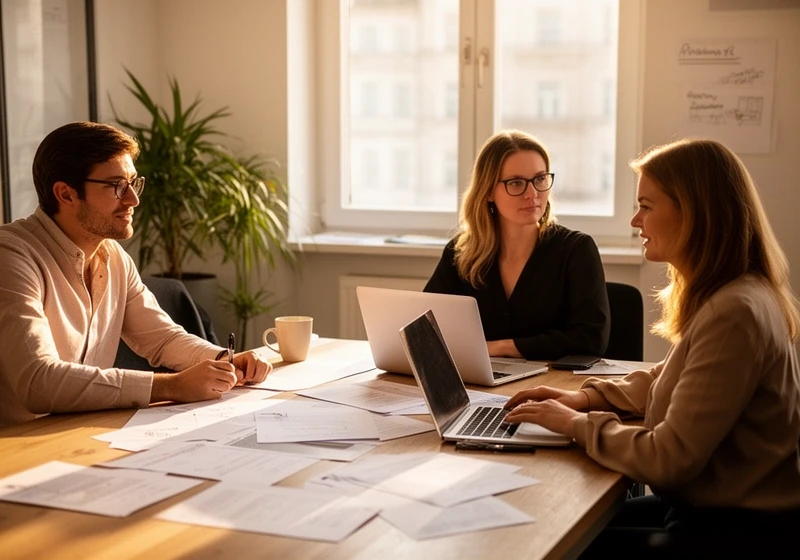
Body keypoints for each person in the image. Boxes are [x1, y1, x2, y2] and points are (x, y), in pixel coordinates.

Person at [504, 138, 800, 557]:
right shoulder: (731, 293)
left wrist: (573, 424)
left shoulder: (735, 312)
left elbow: (669, 458)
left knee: (549, 540)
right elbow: (669, 377)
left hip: (737, 529)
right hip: (712, 507)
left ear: (694, 213)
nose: (634, 220)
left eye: (647, 205)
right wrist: (585, 398)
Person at [0, 121, 271, 427]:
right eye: (117, 186)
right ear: (66, 194)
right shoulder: (11, 257)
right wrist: (171, 386)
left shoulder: (113, 257)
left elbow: (162, 339)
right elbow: (39, 382)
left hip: (79, 435)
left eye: (133, 182)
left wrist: (225, 360)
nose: (133, 200)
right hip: (15, 449)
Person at [424, 130, 609, 360]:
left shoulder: (577, 250)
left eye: (540, 179)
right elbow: (426, 328)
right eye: (516, 183)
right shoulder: (461, 252)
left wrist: (502, 348)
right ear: (489, 191)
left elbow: (591, 339)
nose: (532, 194)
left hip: (554, 386)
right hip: (480, 384)